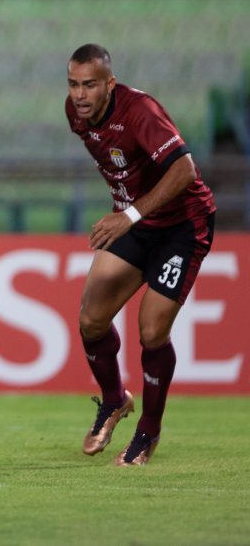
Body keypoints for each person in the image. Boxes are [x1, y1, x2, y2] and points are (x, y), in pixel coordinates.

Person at [66, 43, 216, 466]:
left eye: (90, 85)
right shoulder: (75, 114)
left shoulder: (140, 112)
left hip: (182, 226)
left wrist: (127, 214)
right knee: (91, 318)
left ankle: (148, 429)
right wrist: (129, 213)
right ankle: (114, 400)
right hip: (138, 223)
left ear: (109, 84)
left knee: (151, 331)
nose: (80, 94)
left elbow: (184, 170)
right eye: (74, 84)